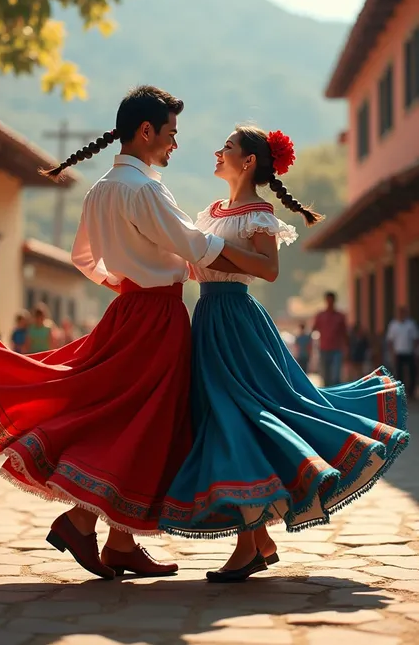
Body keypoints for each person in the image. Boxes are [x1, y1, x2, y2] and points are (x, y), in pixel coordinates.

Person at [0, 85, 246, 581]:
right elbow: (192, 243)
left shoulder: (101, 188)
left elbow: (84, 259)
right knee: (147, 419)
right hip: (157, 317)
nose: (175, 145)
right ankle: (85, 522)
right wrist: (251, 258)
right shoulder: (145, 189)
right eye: (170, 134)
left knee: (123, 414)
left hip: (127, 308)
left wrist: (123, 280)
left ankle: (117, 539)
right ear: (145, 131)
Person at [159, 125, 409, 582]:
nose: (218, 152)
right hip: (208, 318)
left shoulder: (259, 213)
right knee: (221, 416)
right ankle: (258, 540)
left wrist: (215, 254)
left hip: (236, 320)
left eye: (228, 147)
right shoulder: (210, 211)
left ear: (249, 161)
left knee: (244, 417)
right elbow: (197, 256)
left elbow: (269, 271)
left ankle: (249, 542)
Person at [313, 292, 347, 387]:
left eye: (331, 301)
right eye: (328, 300)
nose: (330, 303)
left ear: (334, 301)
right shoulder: (320, 316)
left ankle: (337, 395)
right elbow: (313, 330)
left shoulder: (340, 316)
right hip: (324, 349)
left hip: (337, 349)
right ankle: (327, 396)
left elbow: (344, 333)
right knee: (325, 376)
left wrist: (347, 349)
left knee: (336, 376)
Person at [386, 307, 419, 399]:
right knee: (399, 373)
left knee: (412, 372)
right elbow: (390, 341)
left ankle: (411, 392)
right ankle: (400, 392)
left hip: (409, 352)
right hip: (398, 352)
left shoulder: (411, 324)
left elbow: (415, 339)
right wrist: (392, 353)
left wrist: (415, 351)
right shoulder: (393, 325)